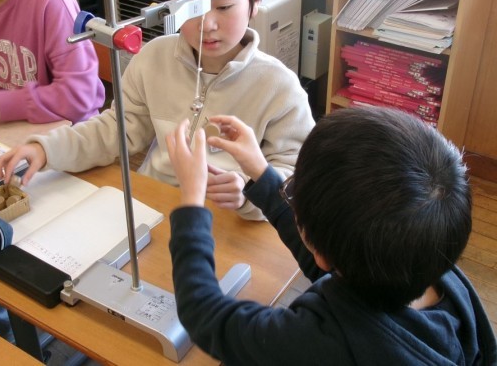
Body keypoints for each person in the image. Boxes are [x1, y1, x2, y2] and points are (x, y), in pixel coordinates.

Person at [0, 0, 315, 220]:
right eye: (192, 8)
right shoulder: (153, 59)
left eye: (223, 6)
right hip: (156, 206)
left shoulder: (280, 87)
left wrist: (249, 192)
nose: (207, 24)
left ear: (255, 1)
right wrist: (47, 149)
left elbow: (298, 179)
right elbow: (115, 130)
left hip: (229, 222)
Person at [164, 106, 497, 365]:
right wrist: (262, 172)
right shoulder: (432, 267)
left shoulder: (320, 340)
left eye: (293, 193)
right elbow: (337, 262)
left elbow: (205, 316)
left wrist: (192, 202)